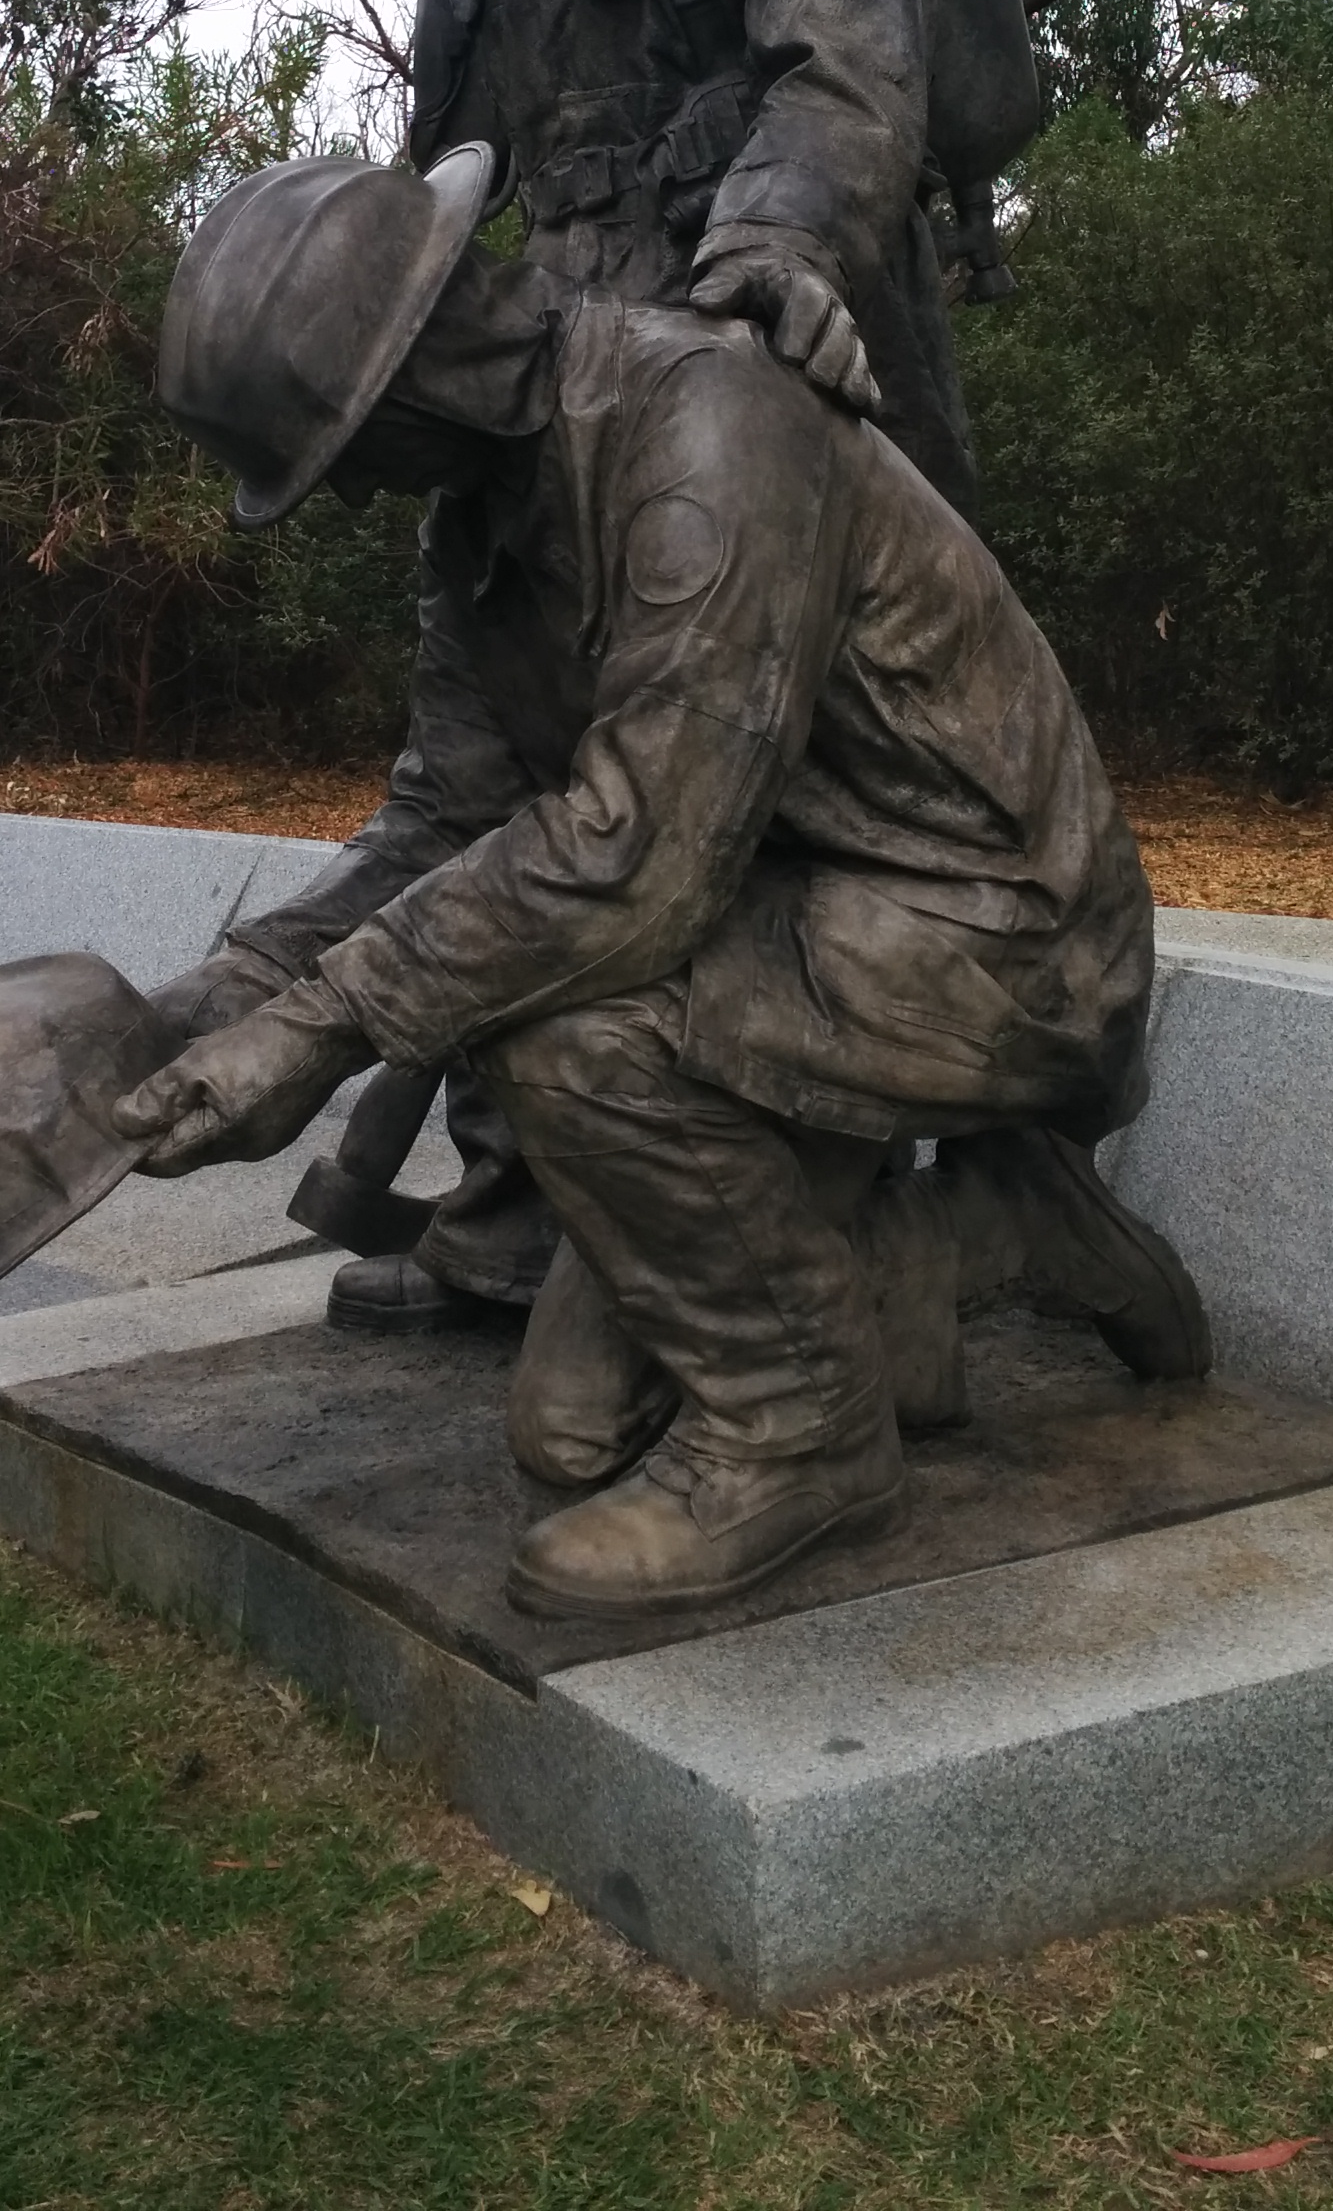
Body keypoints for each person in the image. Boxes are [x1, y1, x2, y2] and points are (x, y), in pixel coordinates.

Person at [188, 0, 981, 1337]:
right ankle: (537, 1201)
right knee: (499, 755)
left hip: (730, 321)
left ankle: (781, 1243)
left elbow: (856, 2)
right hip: (556, 312)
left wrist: (783, 248)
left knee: (711, 785)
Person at [115, 149, 1203, 1623]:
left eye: (344, 457)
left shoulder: (708, 427)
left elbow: (638, 863)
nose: (355, 497)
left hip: (1000, 937)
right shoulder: (483, 536)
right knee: (563, 1430)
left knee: (564, 1035)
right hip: (796, 940)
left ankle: (806, 1426)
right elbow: (444, 819)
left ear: (409, 385)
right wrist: (224, 998)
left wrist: (323, 1028)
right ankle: (983, 1233)